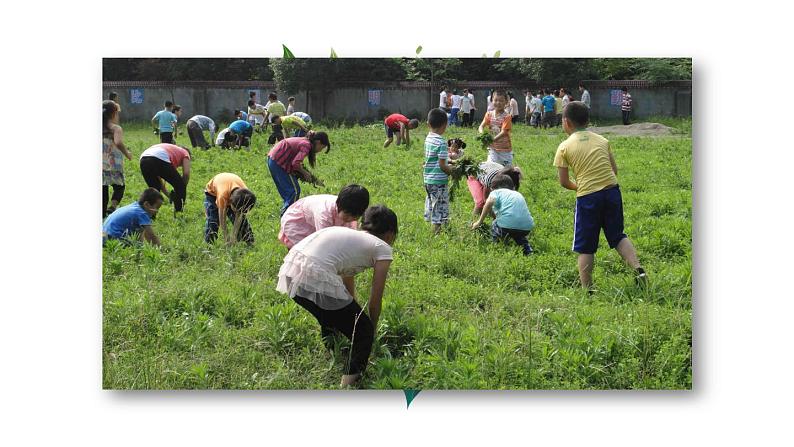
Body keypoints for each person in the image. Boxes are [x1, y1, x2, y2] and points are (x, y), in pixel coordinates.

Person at [276, 205, 398, 387]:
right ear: (390, 234)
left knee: (331, 315)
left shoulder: (348, 236)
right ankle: (347, 385)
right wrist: (370, 328)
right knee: (362, 331)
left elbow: (346, 278)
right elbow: (375, 298)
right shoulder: (383, 248)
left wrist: (351, 311)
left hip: (290, 273)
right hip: (313, 275)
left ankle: (333, 350)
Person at [553, 101, 646, 290]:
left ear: (566, 122)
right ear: (587, 120)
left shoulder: (564, 147)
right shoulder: (602, 140)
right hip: (612, 191)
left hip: (588, 197)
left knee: (586, 245)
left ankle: (587, 290)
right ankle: (638, 268)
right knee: (617, 235)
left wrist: (579, 186)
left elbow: (563, 182)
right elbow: (614, 170)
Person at [278, 184, 370, 249]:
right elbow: (324, 240)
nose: (350, 219)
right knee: (304, 250)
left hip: (314, 221)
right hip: (298, 222)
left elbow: (350, 235)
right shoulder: (324, 214)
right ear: (339, 205)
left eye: (355, 217)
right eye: (348, 215)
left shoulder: (350, 211)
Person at [267, 132, 332, 216]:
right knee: (294, 191)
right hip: (279, 161)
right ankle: (287, 215)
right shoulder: (307, 145)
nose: (320, 151)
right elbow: (295, 163)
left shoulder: (305, 142)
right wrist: (305, 173)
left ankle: (286, 210)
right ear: (318, 142)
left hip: (273, 159)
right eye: (322, 147)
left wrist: (308, 175)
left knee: (288, 191)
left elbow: (296, 163)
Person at [471, 175, 534, 256]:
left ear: (493, 188)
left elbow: (489, 202)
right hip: (526, 227)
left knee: (495, 223)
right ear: (512, 187)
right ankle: (527, 250)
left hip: (507, 225)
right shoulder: (517, 194)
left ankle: (496, 247)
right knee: (517, 234)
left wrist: (479, 222)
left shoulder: (496, 192)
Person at [423, 108, 456, 235]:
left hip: (428, 178)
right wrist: (453, 172)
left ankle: (444, 225)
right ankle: (436, 232)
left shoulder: (428, 138)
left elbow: (435, 159)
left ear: (428, 124)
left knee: (433, 201)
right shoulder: (441, 142)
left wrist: (451, 162)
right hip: (438, 180)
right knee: (440, 204)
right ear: (445, 125)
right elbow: (442, 165)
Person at [204, 173, 257, 245]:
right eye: (237, 210)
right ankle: (209, 243)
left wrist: (234, 237)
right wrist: (226, 237)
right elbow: (222, 219)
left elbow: (239, 217)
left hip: (230, 188)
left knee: (243, 222)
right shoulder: (222, 196)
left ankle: (249, 241)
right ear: (230, 202)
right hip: (212, 193)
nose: (238, 212)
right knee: (213, 220)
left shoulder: (245, 196)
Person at [139, 143, 191, 213]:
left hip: (143, 159)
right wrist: (182, 189)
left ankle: (148, 216)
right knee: (180, 185)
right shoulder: (185, 152)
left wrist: (169, 196)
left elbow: (160, 183)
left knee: (154, 190)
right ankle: (179, 213)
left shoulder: (170, 151)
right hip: (159, 157)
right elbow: (186, 174)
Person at [102, 100, 132, 217]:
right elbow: (118, 142)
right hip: (113, 163)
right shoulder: (115, 128)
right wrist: (127, 153)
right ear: (114, 113)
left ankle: (102, 212)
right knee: (120, 187)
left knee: (102, 188)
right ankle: (112, 207)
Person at [478, 89, 514, 166]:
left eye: (501, 101)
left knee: (506, 171)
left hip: (505, 150)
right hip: (493, 149)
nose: (498, 103)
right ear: (492, 101)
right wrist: (482, 135)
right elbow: (481, 126)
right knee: (491, 166)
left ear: (506, 102)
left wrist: (491, 140)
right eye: (496, 100)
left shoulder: (507, 116)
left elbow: (504, 132)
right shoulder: (489, 114)